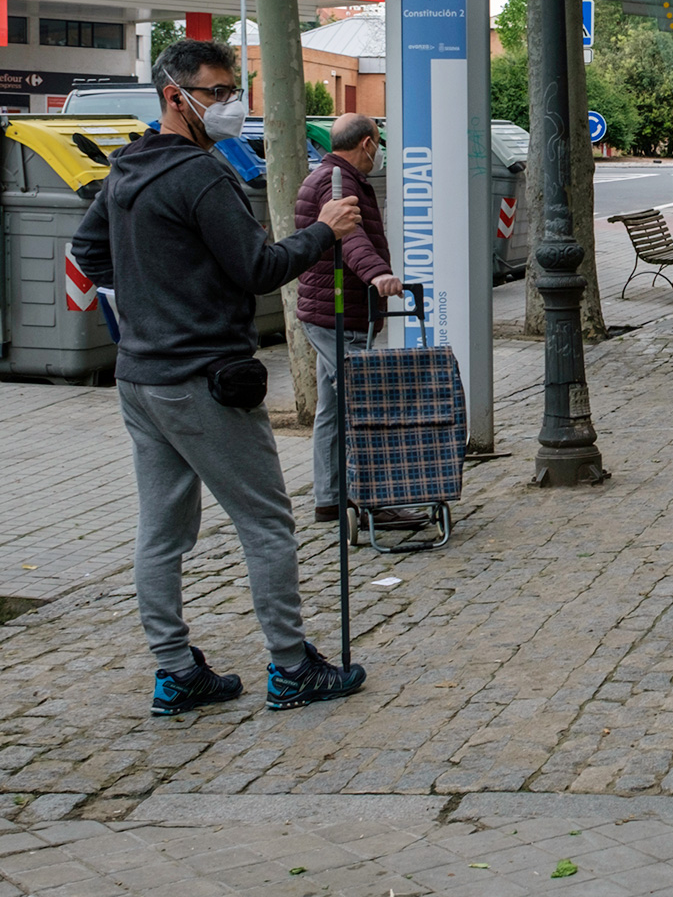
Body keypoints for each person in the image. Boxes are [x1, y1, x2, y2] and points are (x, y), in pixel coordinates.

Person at [70, 38, 370, 715]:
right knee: (265, 521)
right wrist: (323, 230)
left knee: (162, 532)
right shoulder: (204, 179)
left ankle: (176, 671)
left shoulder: (128, 169)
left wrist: (157, 301)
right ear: (176, 97)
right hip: (204, 380)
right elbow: (260, 270)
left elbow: (89, 252)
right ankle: (293, 668)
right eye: (217, 93)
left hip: (141, 379)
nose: (231, 105)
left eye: (235, 91)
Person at [294, 113, 423, 532]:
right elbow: (351, 238)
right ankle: (372, 499)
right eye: (378, 142)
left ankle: (330, 500)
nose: (378, 151)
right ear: (367, 142)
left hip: (329, 311)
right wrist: (377, 275)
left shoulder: (333, 176)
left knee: (332, 410)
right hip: (336, 313)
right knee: (364, 404)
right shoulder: (337, 183)